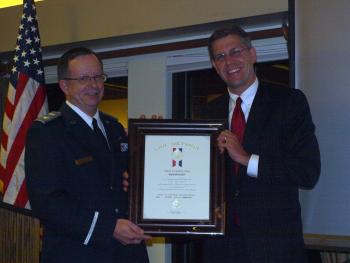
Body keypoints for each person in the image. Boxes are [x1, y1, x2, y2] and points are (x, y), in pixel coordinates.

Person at [199, 25, 321, 263]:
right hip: (221, 250)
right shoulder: (208, 113)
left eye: (236, 51)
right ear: (214, 66)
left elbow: (307, 172)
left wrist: (246, 158)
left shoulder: (289, 103)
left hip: (275, 249)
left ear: (253, 54)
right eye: (220, 57)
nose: (229, 61)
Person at [25, 47, 151, 263]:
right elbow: (48, 203)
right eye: (84, 78)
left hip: (127, 253)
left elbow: (125, 183)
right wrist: (108, 228)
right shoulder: (47, 132)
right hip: (78, 253)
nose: (93, 85)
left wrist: (151, 145)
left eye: (98, 77)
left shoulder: (114, 128)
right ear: (65, 85)